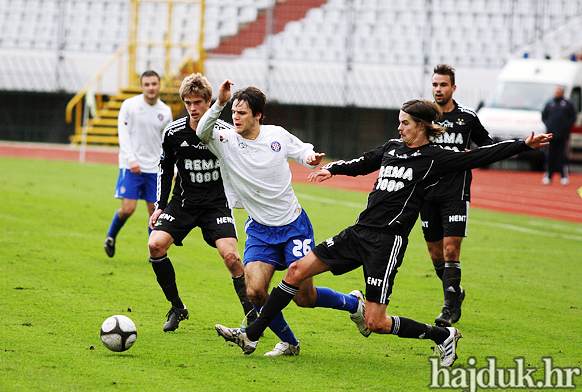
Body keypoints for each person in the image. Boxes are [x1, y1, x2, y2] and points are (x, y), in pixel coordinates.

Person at [214, 99, 551, 367]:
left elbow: (481, 154)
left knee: (376, 322)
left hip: (386, 244)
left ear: (420, 126)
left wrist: (523, 145)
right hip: (359, 232)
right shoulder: (392, 147)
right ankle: (253, 335)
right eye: (399, 122)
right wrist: (332, 169)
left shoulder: (434, 158)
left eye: (405, 122)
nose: (399, 127)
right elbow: (362, 162)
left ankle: (442, 335)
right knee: (297, 271)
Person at [197, 80, 369, 357]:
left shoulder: (276, 135)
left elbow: (302, 151)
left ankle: (353, 304)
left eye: (242, 113)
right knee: (254, 293)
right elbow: (201, 130)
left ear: (258, 115)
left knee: (304, 297)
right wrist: (220, 102)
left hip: (293, 226)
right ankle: (289, 342)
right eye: (234, 112)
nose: (235, 118)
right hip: (259, 229)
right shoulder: (225, 140)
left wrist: (311, 157)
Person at [147, 73, 256, 332]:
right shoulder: (174, 132)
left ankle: (252, 315)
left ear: (209, 102)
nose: (193, 108)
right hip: (182, 203)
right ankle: (177, 307)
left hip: (216, 205)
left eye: (198, 102)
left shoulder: (227, 133)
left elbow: (243, 164)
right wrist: (160, 205)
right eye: (188, 103)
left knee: (231, 258)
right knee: (155, 246)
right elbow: (164, 168)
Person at [422, 64, 494, 327]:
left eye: (443, 85)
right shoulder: (424, 116)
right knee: (436, 254)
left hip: (456, 192)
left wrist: (472, 156)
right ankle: (457, 292)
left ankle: (448, 308)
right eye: (434, 85)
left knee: (451, 250)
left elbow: (487, 145)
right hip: (427, 192)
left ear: (453, 87)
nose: (438, 89)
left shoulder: (467, 118)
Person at [104, 70, 173, 257]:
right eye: (147, 84)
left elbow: (168, 142)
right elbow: (123, 133)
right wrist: (130, 158)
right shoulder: (130, 105)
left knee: (154, 212)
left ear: (159, 85)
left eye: (154, 84)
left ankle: (154, 252)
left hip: (154, 169)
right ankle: (110, 237)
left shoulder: (165, 111)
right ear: (142, 86)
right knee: (128, 209)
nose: (151, 87)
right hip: (131, 166)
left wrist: (172, 166)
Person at [541, 86, 577, 186]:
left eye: (558, 91)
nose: (557, 93)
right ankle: (548, 175)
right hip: (551, 135)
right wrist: (549, 125)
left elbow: (573, 117)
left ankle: (564, 176)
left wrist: (566, 126)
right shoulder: (550, 103)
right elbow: (544, 116)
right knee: (550, 156)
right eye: (556, 91)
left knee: (562, 156)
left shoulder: (567, 104)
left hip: (563, 135)